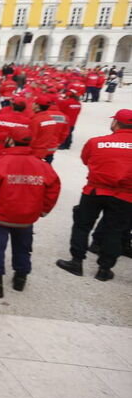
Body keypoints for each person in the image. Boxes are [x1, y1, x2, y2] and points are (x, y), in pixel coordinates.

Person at [0, 127, 60, 297]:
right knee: (23, 247)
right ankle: (20, 278)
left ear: (10, 141)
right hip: (27, 218)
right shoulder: (42, 165)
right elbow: (54, 188)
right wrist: (43, 211)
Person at [57, 109, 132, 281]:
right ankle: (104, 269)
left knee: (82, 225)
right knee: (115, 230)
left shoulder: (96, 142)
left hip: (95, 191)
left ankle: (76, 262)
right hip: (126, 197)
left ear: (116, 123)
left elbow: (86, 160)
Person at [29, 94, 69, 164]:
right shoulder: (50, 119)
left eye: (34, 103)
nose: (32, 105)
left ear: (37, 106)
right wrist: (58, 143)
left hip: (36, 152)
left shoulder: (36, 120)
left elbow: (32, 138)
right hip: (48, 149)